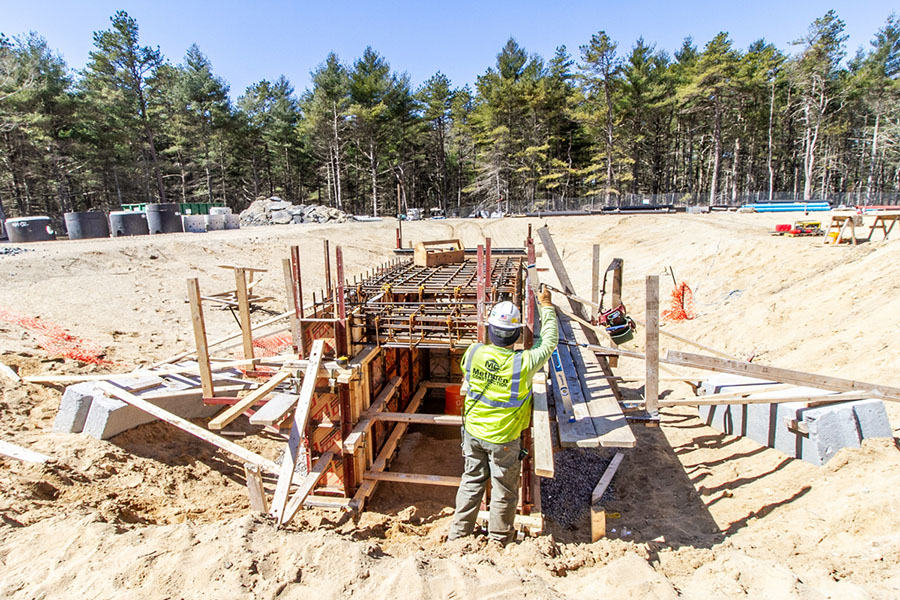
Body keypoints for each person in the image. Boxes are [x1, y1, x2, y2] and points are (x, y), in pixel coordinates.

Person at [448, 286, 558, 544]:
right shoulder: (524, 363)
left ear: (489, 330)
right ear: (518, 334)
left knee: (471, 482)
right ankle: (499, 539)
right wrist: (547, 307)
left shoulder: (474, 352)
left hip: (473, 433)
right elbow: (549, 341)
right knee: (505, 490)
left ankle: (458, 536)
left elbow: (467, 368)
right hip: (504, 440)